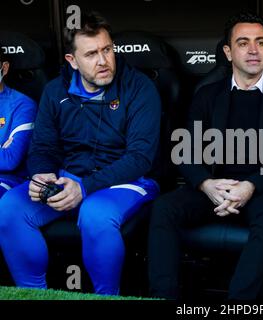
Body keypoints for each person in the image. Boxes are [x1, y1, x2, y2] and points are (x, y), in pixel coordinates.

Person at [148, 12, 263, 300]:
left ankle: (238, 303)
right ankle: (164, 297)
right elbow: (186, 153)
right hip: (216, 186)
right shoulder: (207, 95)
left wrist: (250, 186)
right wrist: (205, 185)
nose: (253, 50)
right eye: (243, 43)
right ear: (228, 51)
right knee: (164, 208)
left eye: (261, 43)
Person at [0, 12, 161, 295]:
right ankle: (34, 294)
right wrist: (41, 173)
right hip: (69, 177)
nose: (103, 61)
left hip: (127, 180)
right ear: (72, 61)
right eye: (91, 54)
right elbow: (42, 147)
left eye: (107, 50)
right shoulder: (55, 90)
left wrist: (84, 188)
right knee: (9, 208)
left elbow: (140, 157)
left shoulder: (139, 87)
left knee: (95, 213)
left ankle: (106, 296)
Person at [0, 47, 37, 197]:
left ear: (4, 68)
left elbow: (10, 159)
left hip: (9, 180)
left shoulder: (22, 105)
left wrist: (5, 152)